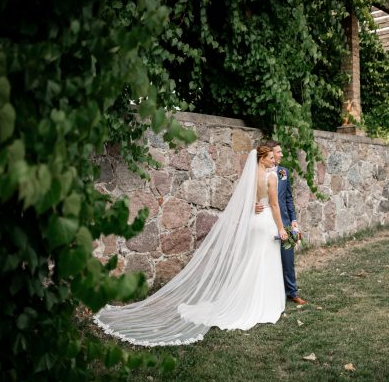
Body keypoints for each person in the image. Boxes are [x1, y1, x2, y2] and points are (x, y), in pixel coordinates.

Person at [93, 146, 287, 346]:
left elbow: (247, 201)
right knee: (264, 260)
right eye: (270, 158)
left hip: (254, 222)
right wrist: (281, 228)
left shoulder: (251, 177)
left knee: (251, 260)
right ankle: (264, 303)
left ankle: (248, 299)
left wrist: (254, 205)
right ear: (262, 159)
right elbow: (274, 205)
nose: (273, 160)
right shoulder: (271, 177)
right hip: (265, 222)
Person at [256, 140, 307, 305]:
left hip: (284, 222)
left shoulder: (283, 172)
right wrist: (253, 205)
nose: (281, 155)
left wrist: (293, 220)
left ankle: (292, 292)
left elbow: (288, 198)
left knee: (288, 259)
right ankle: (270, 294)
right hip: (264, 221)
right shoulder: (257, 173)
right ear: (269, 153)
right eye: (278, 152)